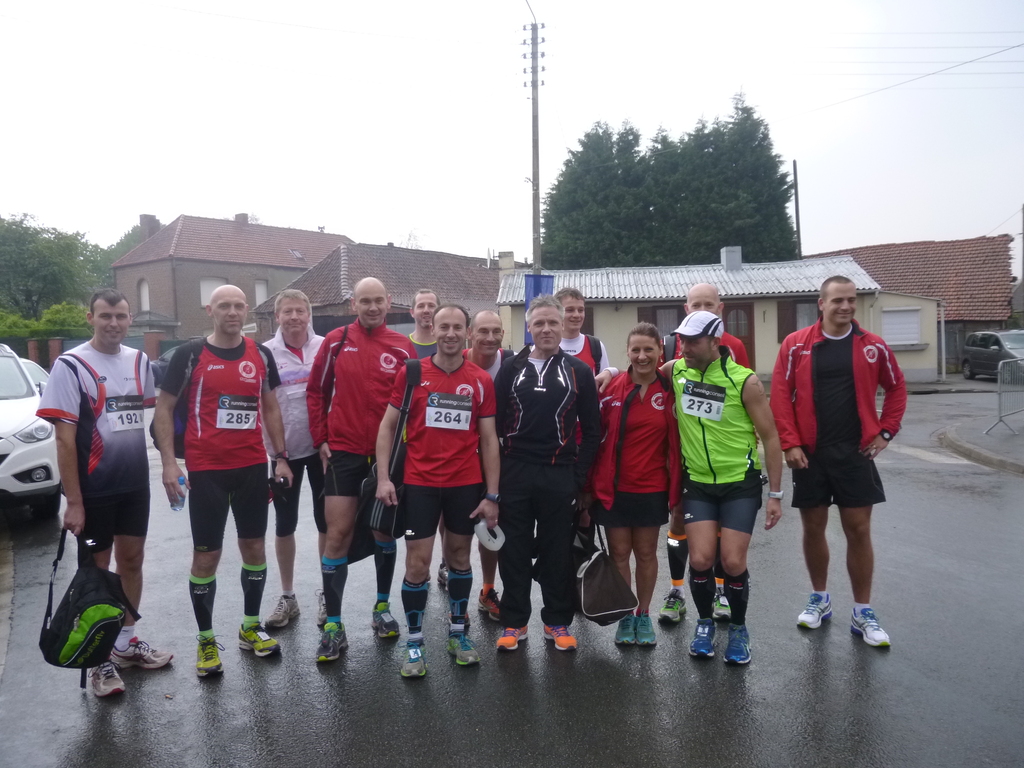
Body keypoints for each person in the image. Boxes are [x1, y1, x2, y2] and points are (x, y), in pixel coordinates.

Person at [37, 289, 173, 697]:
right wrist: (74, 501)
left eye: (120, 316)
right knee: (96, 573)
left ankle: (125, 644)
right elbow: (64, 440)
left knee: (132, 561)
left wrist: (172, 462)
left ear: (130, 319)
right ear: (90, 318)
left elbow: (149, 418)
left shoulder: (139, 361)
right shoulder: (71, 365)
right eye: (105, 316)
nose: (113, 323)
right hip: (94, 491)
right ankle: (98, 661)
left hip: (133, 484)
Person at [155, 285, 293, 678]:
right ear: (209, 310)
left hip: (251, 467)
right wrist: (169, 463)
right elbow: (163, 408)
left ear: (246, 309)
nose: (232, 312)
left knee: (254, 547)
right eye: (224, 306)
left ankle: (250, 627)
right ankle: (205, 640)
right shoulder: (190, 354)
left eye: (237, 306)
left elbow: (270, 407)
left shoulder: (260, 354)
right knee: (206, 556)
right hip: (207, 470)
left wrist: (280, 457)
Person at [771, 275, 906, 648]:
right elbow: (780, 395)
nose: (846, 306)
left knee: (858, 531)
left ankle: (863, 611)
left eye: (851, 300)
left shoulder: (872, 346)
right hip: (810, 455)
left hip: (855, 453)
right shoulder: (796, 345)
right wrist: (790, 443)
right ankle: (820, 598)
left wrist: (886, 432)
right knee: (813, 529)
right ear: (822, 303)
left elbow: (896, 387)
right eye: (838, 300)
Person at [376, 304, 501, 677]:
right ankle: (415, 644)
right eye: (443, 326)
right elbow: (387, 427)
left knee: (460, 557)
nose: (450, 333)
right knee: (417, 563)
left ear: (466, 333)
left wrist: (492, 495)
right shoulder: (412, 373)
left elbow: (489, 440)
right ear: (434, 329)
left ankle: (458, 633)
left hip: (465, 483)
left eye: (457, 327)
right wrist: (383, 478)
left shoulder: (480, 379)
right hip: (420, 483)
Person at [306, 277, 415, 662]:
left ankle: (381, 608)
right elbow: (316, 391)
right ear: (353, 304)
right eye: (364, 301)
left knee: (384, 531)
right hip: (344, 452)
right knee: (337, 535)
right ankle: (334, 626)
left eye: (378, 301)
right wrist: (320, 438)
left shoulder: (402, 347)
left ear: (389, 302)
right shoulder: (335, 341)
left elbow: (414, 402)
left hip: (388, 457)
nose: (372, 307)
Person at [665, 311, 782, 664]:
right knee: (701, 559)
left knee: (731, 561)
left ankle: (739, 629)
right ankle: (704, 624)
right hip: (698, 483)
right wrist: (609, 372)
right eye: (682, 340)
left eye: (693, 341)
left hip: (739, 485)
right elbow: (640, 371)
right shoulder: (676, 371)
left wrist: (775, 495)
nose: (684, 347)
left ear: (715, 342)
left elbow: (771, 437)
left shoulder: (744, 381)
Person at [493, 294, 601, 652]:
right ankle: (514, 621)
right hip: (515, 473)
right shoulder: (511, 368)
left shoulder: (579, 371)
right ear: (529, 327)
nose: (546, 329)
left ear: (562, 324)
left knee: (557, 551)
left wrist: (578, 478)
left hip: (559, 474)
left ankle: (556, 620)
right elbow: (493, 425)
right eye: (539, 323)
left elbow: (592, 430)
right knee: (514, 550)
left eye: (552, 322)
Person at [584, 323, 681, 647]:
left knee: (646, 553)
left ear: (659, 352)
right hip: (613, 488)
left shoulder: (670, 389)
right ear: (627, 352)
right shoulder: (611, 388)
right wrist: (587, 487)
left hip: (652, 488)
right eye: (635, 349)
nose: (641, 356)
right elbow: (594, 437)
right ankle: (626, 614)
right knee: (619, 554)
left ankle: (643, 614)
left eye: (648, 349)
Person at [659, 282, 750, 624]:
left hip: (722, 459)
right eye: (695, 305)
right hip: (681, 452)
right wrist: (611, 372)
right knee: (678, 520)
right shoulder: (672, 346)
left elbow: (742, 397)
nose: (701, 309)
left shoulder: (733, 346)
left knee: (722, 529)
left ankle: (722, 591)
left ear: (720, 309)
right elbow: (648, 374)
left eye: (708, 305)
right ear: (685, 309)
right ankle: (676, 591)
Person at [261, 289, 326, 628]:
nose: (295, 317)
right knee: (285, 525)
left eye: (300, 311)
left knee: (326, 523)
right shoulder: (265, 353)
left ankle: (328, 593)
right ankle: (288, 596)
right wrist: (277, 456)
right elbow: (264, 407)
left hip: (321, 451)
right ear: (277, 316)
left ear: (308, 314)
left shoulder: (325, 347)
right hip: (283, 455)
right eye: (288, 311)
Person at [464, 309, 514, 621]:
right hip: (461, 460)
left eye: (496, 331)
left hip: (499, 459)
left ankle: (487, 589)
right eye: (483, 331)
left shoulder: (511, 362)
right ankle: (457, 592)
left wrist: (609, 370)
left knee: (492, 527)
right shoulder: (456, 361)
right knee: (455, 532)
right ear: (470, 333)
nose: (490, 337)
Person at [555, 287, 611, 375]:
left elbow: (605, 382)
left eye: (580, 310)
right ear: (557, 312)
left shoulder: (596, 347)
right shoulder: (544, 347)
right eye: (570, 310)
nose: (577, 315)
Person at [408, 288, 439, 359]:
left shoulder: (449, 345)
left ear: (440, 311)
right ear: (412, 312)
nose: (426, 310)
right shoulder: (403, 345)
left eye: (431, 306)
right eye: (421, 306)